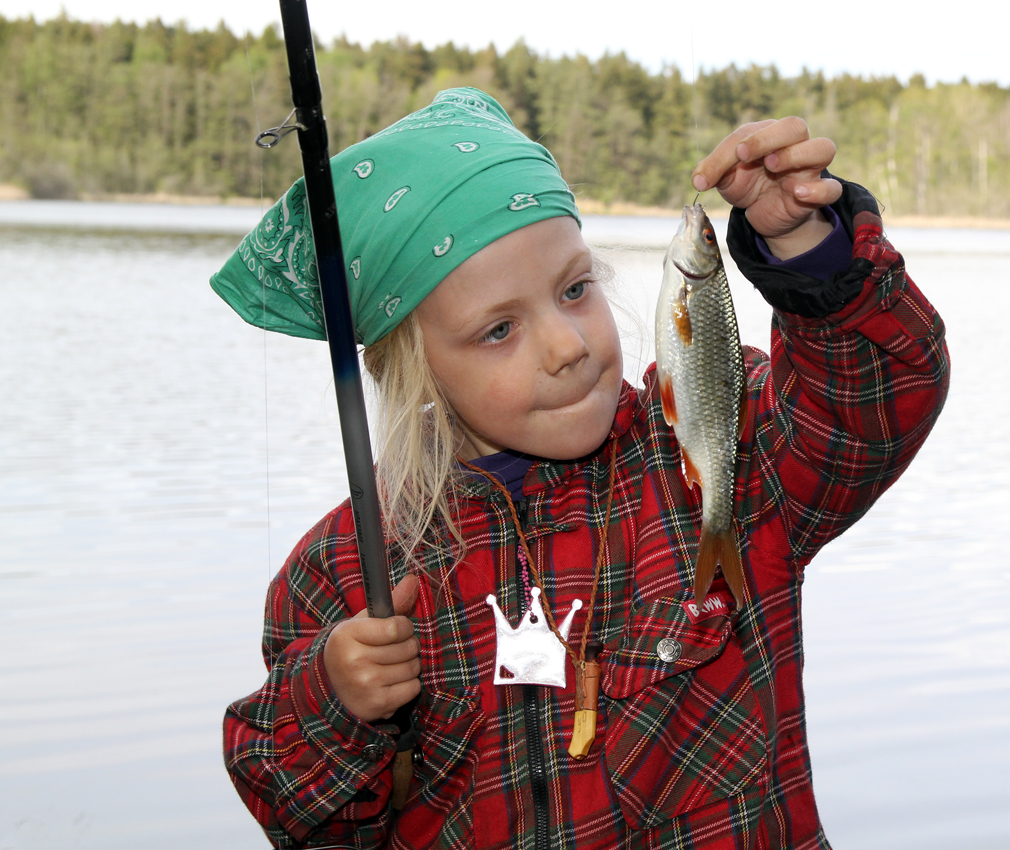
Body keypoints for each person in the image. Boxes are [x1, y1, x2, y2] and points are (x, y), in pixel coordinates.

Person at [212, 87, 950, 850]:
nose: (566, 344)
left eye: (574, 289)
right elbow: (305, 823)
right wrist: (332, 701)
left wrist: (808, 253)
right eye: (499, 329)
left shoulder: (711, 451)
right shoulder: (342, 573)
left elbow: (873, 407)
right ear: (412, 368)